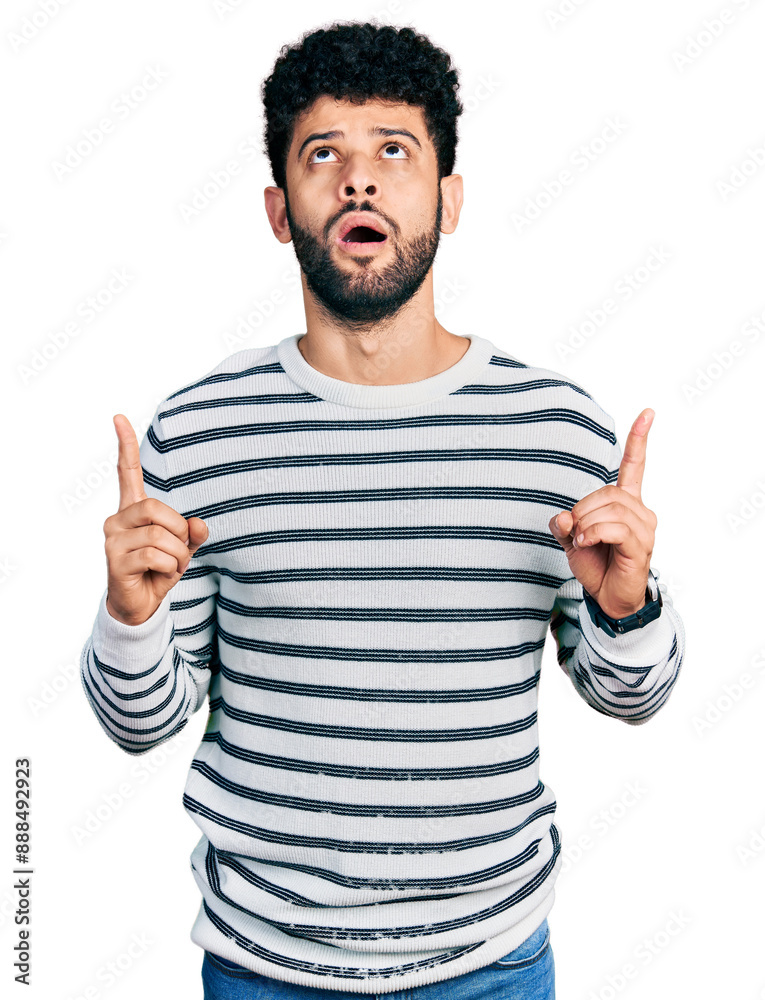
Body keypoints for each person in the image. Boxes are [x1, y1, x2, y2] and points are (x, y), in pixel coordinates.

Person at [79, 20, 685, 999]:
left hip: (489, 965)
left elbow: (636, 695)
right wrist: (130, 619)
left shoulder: (559, 433)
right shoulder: (195, 434)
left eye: (393, 152)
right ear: (280, 209)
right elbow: (140, 723)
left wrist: (629, 607)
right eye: (325, 155)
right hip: (261, 966)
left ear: (448, 197)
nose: (358, 182)